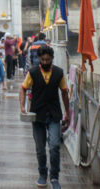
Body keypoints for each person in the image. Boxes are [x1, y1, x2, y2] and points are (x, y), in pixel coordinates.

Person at [20, 45, 70, 189]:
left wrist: (67, 112)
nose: (45, 62)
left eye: (48, 59)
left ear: (52, 59)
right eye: (43, 60)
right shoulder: (33, 72)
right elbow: (23, 89)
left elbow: (64, 92)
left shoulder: (59, 73)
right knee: (40, 148)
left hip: (54, 114)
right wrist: (22, 106)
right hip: (37, 114)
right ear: (39, 59)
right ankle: (42, 174)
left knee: (54, 145)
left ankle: (54, 176)